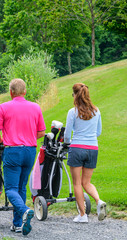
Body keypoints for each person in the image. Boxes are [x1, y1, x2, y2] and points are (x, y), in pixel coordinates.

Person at [0, 78, 46, 236]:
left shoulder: (4, 107)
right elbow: (41, 132)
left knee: (10, 189)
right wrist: (28, 139)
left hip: (12, 151)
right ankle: (17, 224)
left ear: (11, 92)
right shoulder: (35, 107)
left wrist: (3, 142)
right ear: (25, 92)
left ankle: (24, 210)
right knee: (21, 187)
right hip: (30, 151)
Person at [64, 83, 106, 223]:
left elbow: (67, 135)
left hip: (77, 148)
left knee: (77, 183)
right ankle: (99, 201)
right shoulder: (96, 111)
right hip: (93, 149)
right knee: (86, 182)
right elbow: (98, 132)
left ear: (76, 95)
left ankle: (82, 215)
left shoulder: (73, 112)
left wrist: (66, 143)